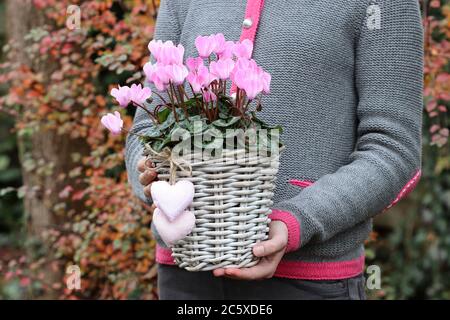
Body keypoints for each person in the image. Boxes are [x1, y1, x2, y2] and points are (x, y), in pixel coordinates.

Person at [125, 0, 423, 300]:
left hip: (308, 282)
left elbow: (393, 149)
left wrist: (297, 220)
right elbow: (145, 130)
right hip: (185, 276)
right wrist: (153, 177)